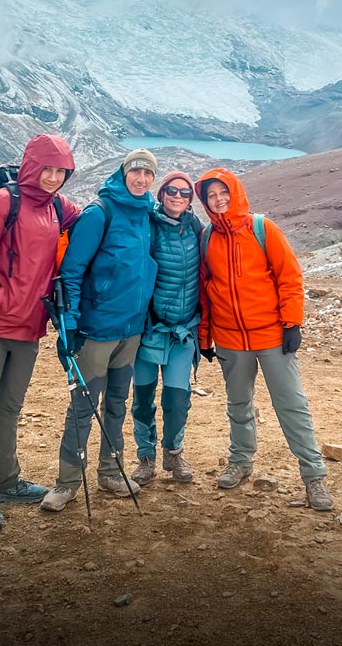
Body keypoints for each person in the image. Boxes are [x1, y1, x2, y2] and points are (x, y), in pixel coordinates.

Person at [0, 134, 80, 530]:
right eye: (48, 169)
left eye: (62, 171)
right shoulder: (1, 204)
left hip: (28, 331)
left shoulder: (58, 207)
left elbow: (94, 219)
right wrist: (0, 302)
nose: (54, 177)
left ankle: (7, 481)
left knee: (9, 408)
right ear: (31, 166)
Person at [195, 168, 333, 512]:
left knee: (291, 405)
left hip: (271, 335)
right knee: (238, 404)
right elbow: (205, 291)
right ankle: (240, 461)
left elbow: (289, 275)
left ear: (235, 192)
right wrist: (205, 336)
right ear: (205, 202)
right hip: (229, 337)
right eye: (211, 196)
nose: (218, 199)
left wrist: (292, 322)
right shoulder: (207, 237)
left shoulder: (262, 228)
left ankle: (313, 477)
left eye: (222, 193)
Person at [41, 147, 158, 511]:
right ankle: (67, 482)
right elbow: (72, 272)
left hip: (131, 332)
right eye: (135, 172)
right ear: (123, 173)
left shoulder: (146, 215)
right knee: (83, 406)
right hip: (97, 331)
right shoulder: (100, 213)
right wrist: (71, 323)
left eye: (148, 174)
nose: (141, 179)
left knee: (117, 404)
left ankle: (110, 472)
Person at [131, 170, 202, 485]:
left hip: (182, 333)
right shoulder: (149, 226)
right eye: (171, 190)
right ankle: (145, 457)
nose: (177, 196)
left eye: (185, 193)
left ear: (190, 200)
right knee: (143, 398)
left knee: (177, 399)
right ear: (161, 195)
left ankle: (173, 454)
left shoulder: (196, 229)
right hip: (149, 331)